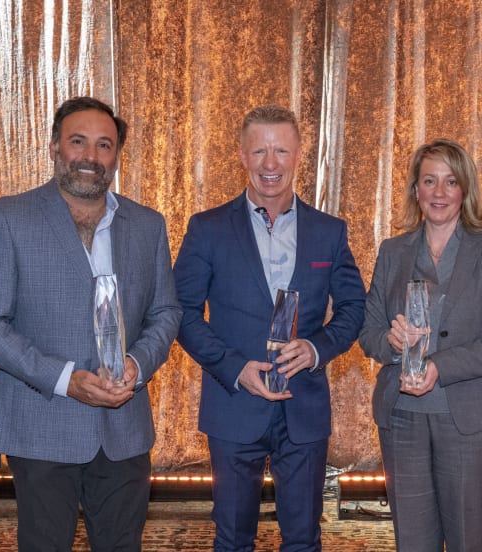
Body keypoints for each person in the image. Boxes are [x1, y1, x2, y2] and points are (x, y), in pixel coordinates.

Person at [0, 96, 181, 551]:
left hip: (125, 429)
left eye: (104, 145)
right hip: (42, 426)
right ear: (54, 147)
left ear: (117, 156)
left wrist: (138, 366)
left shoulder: (147, 225)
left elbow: (166, 313)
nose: (90, 156)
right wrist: (64, 379)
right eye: (77, 141)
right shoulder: (8, 217)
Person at [174, 104, 366, 551]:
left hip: (304, 409)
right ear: (241, 156)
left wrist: (317, 349)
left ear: (299, 155)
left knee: (303, 539)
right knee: (233, 538)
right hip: (234, 405)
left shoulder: (329, 231)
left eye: (281, 150)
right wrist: (236, 367)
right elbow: (181, 312)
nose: (270, 163)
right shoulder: (207, 229)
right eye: (259, 151)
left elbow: (354, 307)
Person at [358, 139, 482, 551]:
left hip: (471, 420)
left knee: (469, 540)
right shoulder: (392, 251)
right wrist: (390, 340)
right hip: (403, 419)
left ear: (464, 190)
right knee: (412, 542)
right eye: (429, 181)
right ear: (415, 190)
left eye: (450, 182)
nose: (438, 192)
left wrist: (441, 366)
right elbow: (368, 332)